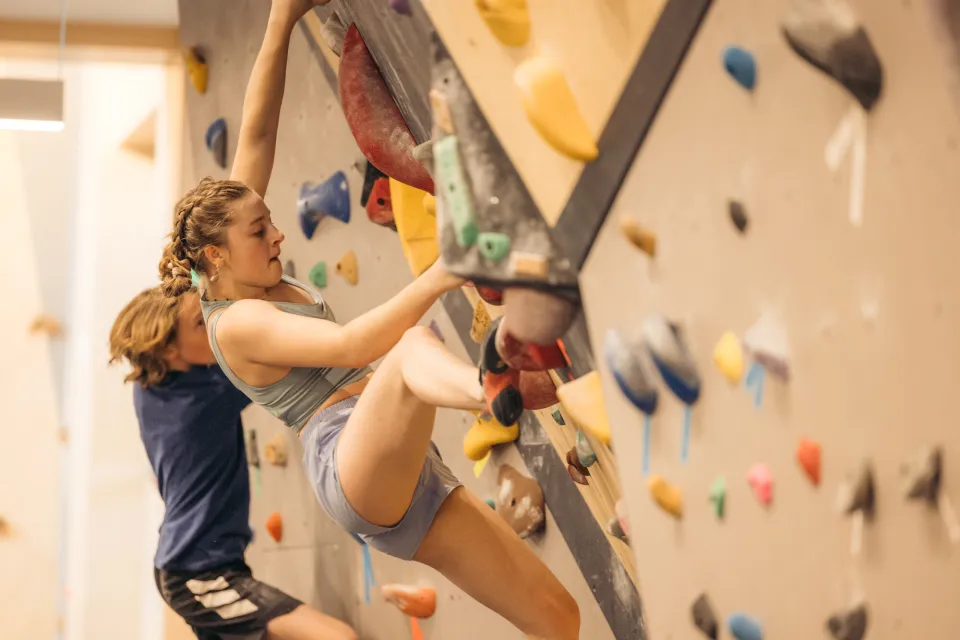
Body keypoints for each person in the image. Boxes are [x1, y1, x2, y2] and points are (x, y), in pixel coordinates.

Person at [156, 0, 581, 637]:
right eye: (260, 230)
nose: (276, 236)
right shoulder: (234, 323)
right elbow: (353, 343)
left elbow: (257, 136)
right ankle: (492, 389)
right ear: (217, 255)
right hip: (346, 461)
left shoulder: (227, 250)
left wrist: (281, 21)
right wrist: (447, 269)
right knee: (410, 349)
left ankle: (495, 390)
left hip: (392, 450)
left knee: (559, 618)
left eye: (269, 223)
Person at [109, 286, 357, 640]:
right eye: (202, 323)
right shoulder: (203, 400)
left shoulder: (152, 386)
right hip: (197, 573)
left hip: (191, 565)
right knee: (337, 637)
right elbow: (279, 355)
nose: (215, 326)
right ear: (167, 349)